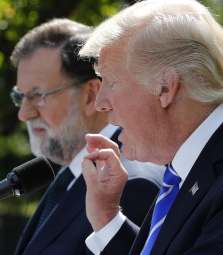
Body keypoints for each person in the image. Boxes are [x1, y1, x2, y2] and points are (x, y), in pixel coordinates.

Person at [79, 0, 223, 255]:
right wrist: (106, 217)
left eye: (111, 82)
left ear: (166, 87)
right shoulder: (189, 168)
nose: (100, 103)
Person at [9, 18, 165, 255]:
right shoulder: (70, 172)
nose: (24, 114)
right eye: (21, 96)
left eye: (38, 95)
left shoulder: (131, 183)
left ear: (91, 95)